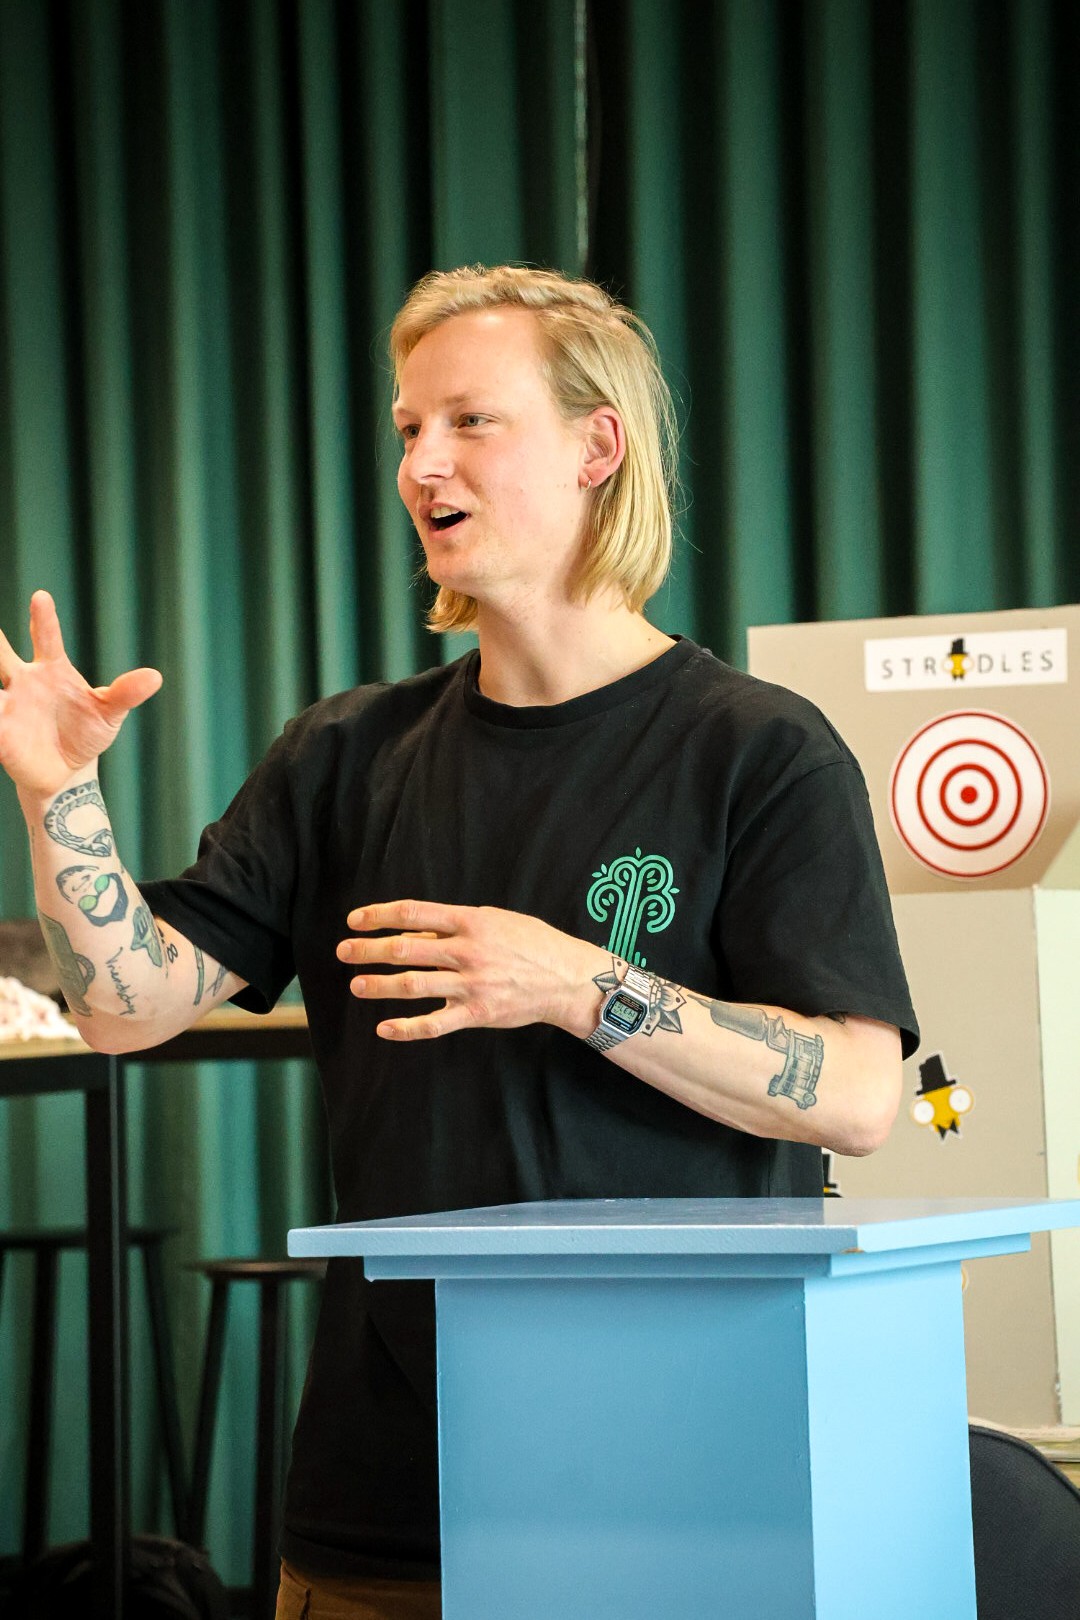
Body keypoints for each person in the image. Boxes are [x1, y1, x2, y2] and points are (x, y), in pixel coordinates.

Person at [0, 264, 918, 1620]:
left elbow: (857, 1093)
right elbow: (126, 1005)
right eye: (407, 428)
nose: (421, 463)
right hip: (386, 1503)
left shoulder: (760, 751)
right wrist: (58, 794)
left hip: (685, 1491)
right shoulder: (342, 753)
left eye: (470, 421)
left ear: (598, 447)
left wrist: (578, 984)